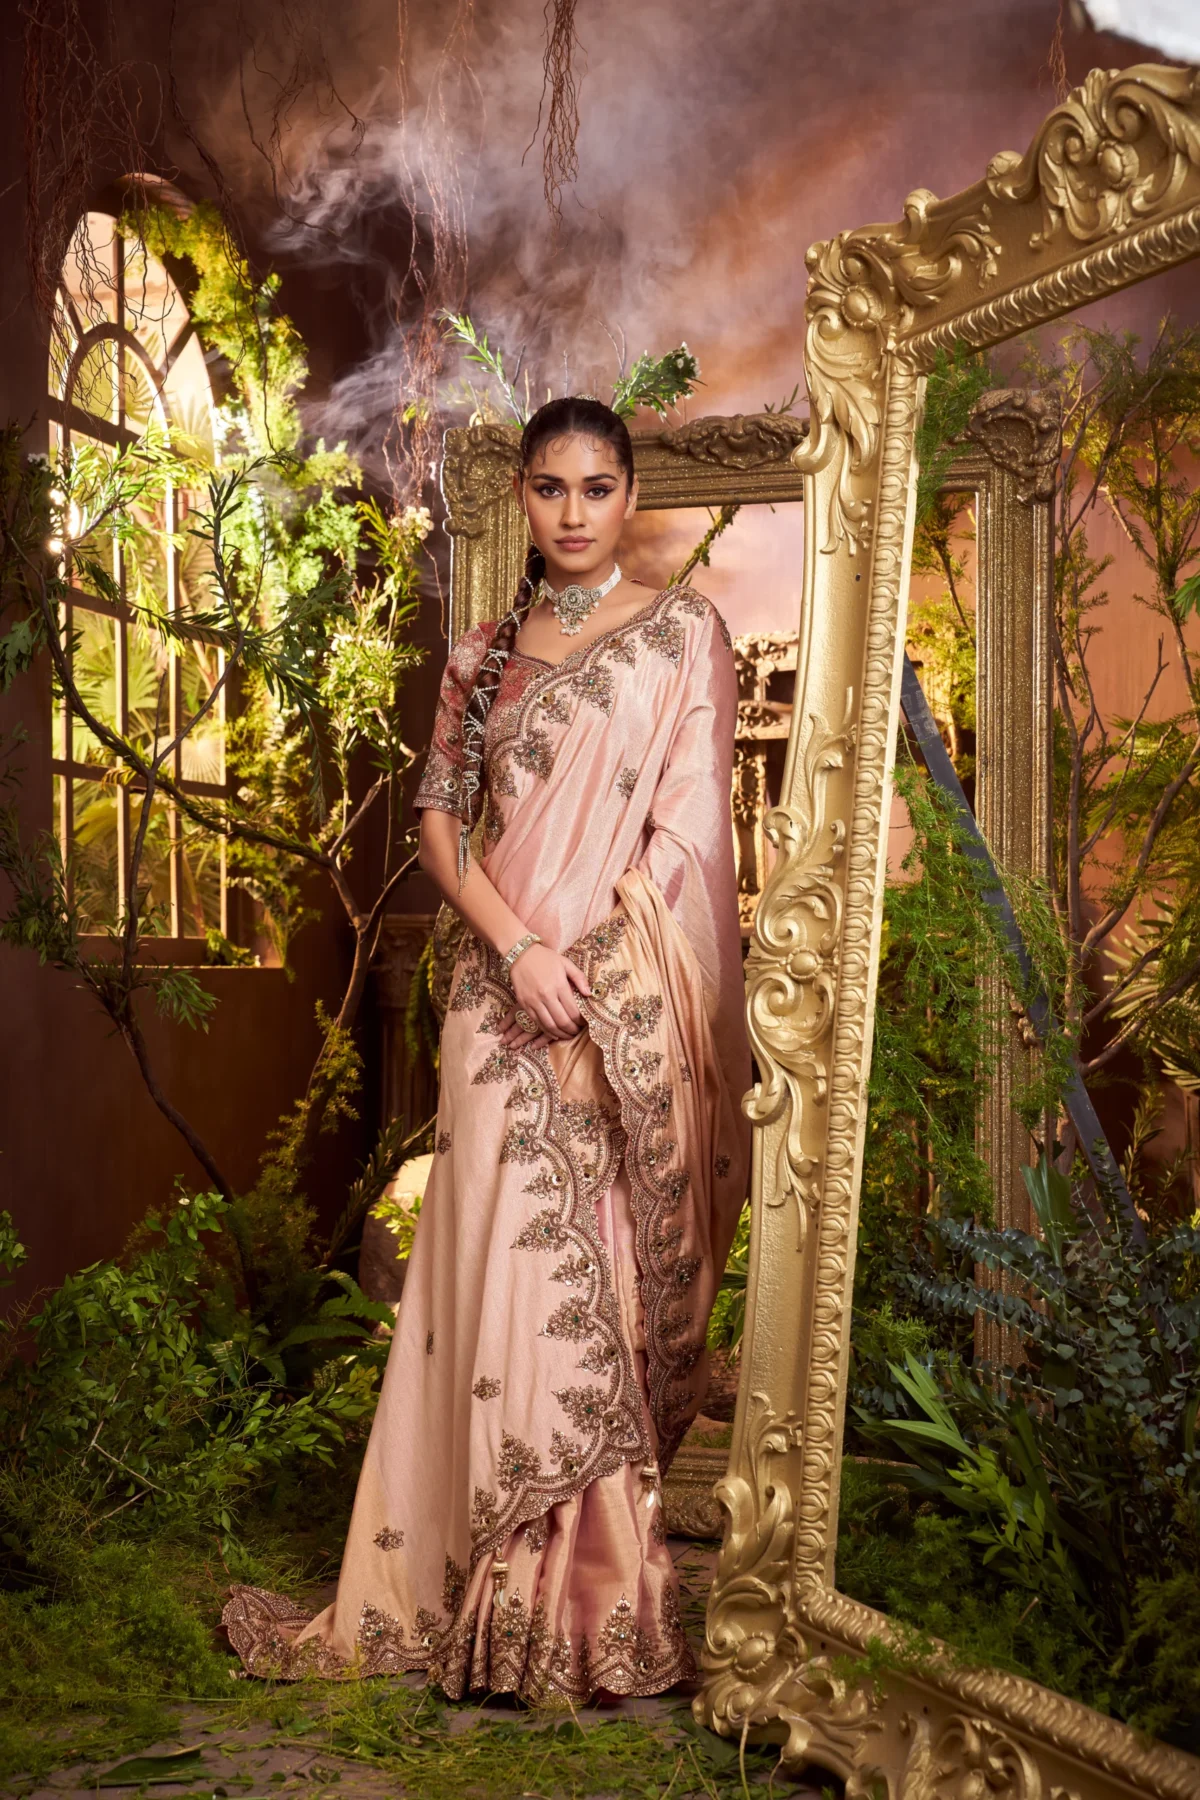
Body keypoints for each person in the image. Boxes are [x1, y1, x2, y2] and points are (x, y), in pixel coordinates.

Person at [223, 396, 751, 1702]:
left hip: (606, 1003)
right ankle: (478, 1596)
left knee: (585, 1299)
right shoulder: (481, 656)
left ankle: (579, 1608)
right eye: (550, 488)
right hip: (497, 1010)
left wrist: (603, 978)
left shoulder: (687, 638)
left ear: (630, 497)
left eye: (597, 487)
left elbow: (690, 849)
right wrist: (519, 951)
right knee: (491, 1294)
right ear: (524, 498)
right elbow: (438, 836)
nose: (573, 513)